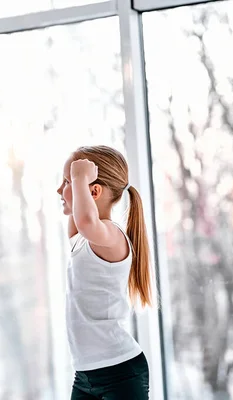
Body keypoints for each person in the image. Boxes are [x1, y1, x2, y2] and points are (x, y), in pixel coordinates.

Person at [56, 145, 152, 399]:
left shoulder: (111, 235)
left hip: (119, 372)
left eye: (66, 181)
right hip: (86, 373)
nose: (59, 189)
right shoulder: (80, 238)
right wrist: (78, 183)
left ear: (93, 190)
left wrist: (78, 180)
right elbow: (82, 218)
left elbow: (88, 221)